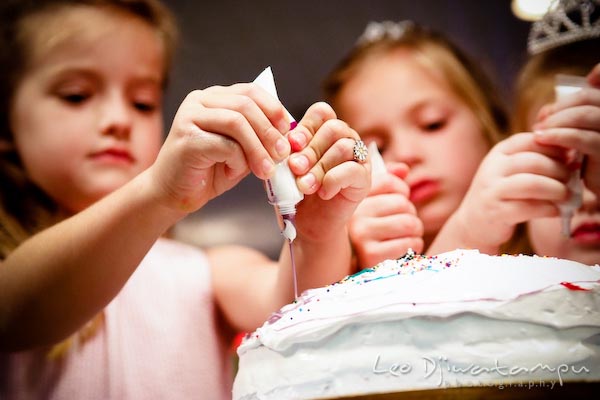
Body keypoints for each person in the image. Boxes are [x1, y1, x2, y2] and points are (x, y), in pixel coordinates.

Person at [0, 1, 370, 398]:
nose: (119, 120)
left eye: (142, 103)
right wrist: (157, 193)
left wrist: (318, 235)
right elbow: (16, 311)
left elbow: (288, 304)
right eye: (76, 95)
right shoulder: (18, 271)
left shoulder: (204, 272)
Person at [322, 20, 508, 267]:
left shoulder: (552, 234)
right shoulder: (341, 276)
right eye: (377, 146)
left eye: (432, 124)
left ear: (488, 121)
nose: (405, 154)